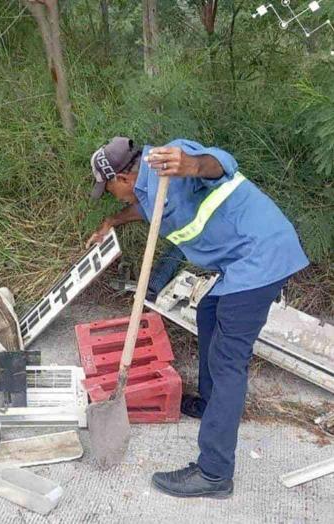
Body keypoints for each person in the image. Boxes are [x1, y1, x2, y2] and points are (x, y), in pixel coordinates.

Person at [86, 136, 309, 499]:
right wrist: (114, 219)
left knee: (227, 362)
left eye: (109, 190)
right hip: (238, 264)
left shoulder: (170, 159)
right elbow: (147, 209)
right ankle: (209, 404)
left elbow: (219, 163)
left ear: (123, 178)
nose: (113, 196)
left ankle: (214, 473)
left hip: (260, 259)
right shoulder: (148, 188)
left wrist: (190, 164)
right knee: (208, 311)